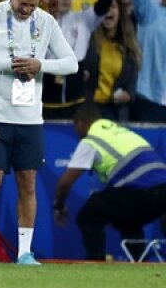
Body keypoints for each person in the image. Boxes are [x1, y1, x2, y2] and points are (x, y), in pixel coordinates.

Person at [0, 0, 79, 266]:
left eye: (32, 4)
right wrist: (10, 65)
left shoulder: (46, 22)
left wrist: (40, 64)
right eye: (21, 2)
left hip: (29, 117)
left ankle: (25, 252)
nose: (26, 9)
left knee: (28, 182)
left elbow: (71, 63)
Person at [53, 104, 166, 261]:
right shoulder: (119, 131)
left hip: (143, 191)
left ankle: (96, 260)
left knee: (88, 215)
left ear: (80, 123)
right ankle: (139, 261)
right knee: (127, 217)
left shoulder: (91, 141)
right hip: (161, 189)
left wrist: (59, 206)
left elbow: (65, 183)